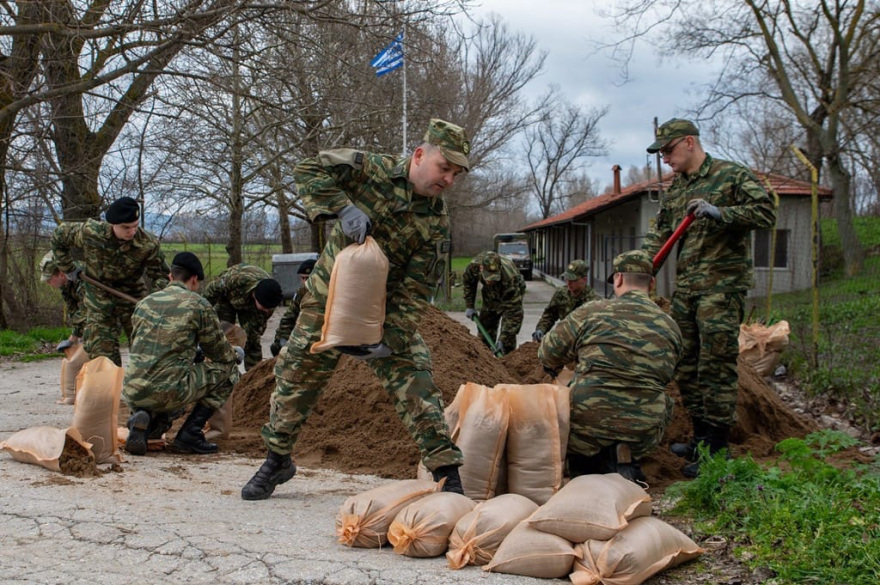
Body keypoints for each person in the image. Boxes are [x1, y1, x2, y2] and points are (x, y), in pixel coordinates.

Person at [240, 118, 469, 500]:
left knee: (417, 383)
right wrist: (342, 208)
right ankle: (277, 459)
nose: (448, 179)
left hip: (382, 313)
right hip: (327, 299)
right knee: (295, 376)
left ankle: (447, 472)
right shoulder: (370, 169)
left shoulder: (436, 223)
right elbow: (308, 167)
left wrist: (391, 338)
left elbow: (417, 289)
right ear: (419, 155)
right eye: (444, 168)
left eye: (455, 174)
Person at [643, 118, 777, 477]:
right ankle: (700, 439)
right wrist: (638, 270)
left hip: (721, 288)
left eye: (669, 150)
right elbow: (660, 233)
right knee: (686, 365)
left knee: (715, 367)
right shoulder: (677, 189)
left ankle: (716, 451)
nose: (666, 159)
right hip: (686, 290)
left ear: (689, 142)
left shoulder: (732, 175)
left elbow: (765, 212)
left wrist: (722, 214)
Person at [538, 250, 682, 483]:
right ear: (652, 283)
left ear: (619, 279)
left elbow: (547, 353)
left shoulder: (592, 311)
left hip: (588, 423)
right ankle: (627, 455)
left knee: (569, 404)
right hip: (643, 428)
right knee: (662, 400)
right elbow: (669, 375)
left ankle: (585, 466)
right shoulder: (670, 325)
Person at [122, 252, 244, 456]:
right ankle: (190, 434)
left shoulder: (144, 303)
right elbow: (219, 352)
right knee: (229, 369)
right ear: (194, 279)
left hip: (133, 391)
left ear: (171, 276)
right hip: (171, 389)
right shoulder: (198, 304)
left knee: (165, 378)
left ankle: (145, 422)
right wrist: (236, 353)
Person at [50, 196, 170, 366]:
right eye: (126, 227)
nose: (132, 232)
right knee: (102, 354)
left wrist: (155, 301)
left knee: (147, 349)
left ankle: (142, 388)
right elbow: (58, 237)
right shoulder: (91, 233)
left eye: (135, 226)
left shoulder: (147, 244)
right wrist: (68, 268)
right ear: (113, 224)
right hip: (98, 298)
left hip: (132, 297)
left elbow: (161, 276)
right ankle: (107, 388)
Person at [203, 264, 283, 370]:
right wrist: (203, 313)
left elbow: (256, 332)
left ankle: (253, 375)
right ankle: (220, 369)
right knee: (224, 333)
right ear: (256, 296)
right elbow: (211, 291)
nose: (267, 311)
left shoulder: (268, 301)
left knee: (252, 338)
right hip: (227, 298)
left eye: (269, 308)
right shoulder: (235, 280)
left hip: (250, 305)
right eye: (264, 307)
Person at [462, 251, 525, 354]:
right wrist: (470, 305)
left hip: (510, 292)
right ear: (481, 268)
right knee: (485, 327)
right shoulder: (473, 267)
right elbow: (468, 283)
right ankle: (485, 357)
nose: (490, 281)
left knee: (508, 337)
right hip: (489, 295)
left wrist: (503, 340)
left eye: (494, 277)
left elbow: (514, 314)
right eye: (488, 276)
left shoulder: (510, 278)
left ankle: (507, 358)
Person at [532, 259, 598, 342]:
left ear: (584, 280)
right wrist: (541, 329)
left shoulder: (594, 301)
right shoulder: (561, 294)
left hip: (583, 342)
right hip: (564, 340)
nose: (569, 283)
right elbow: (550, 314)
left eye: (573, 280)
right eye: (567, 279)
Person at [39, 251, 86, 352]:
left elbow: (86, 309)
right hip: (98, 313)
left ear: (61, 274)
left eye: (49, 280)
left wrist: (72, 338)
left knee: (101, 345)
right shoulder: (65, 285)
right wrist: (77, 338)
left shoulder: (83, 277)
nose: (48, 283)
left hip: (116, 307)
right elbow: (74, 311)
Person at [270, 258, 316, 357]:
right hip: (302, 333)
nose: (305, 282)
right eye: (302, 278)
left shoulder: (326, 293)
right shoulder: (300, 294)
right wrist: (283, 339)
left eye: (308, 278)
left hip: (318, 334)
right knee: (276, 347)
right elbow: (289, 318)